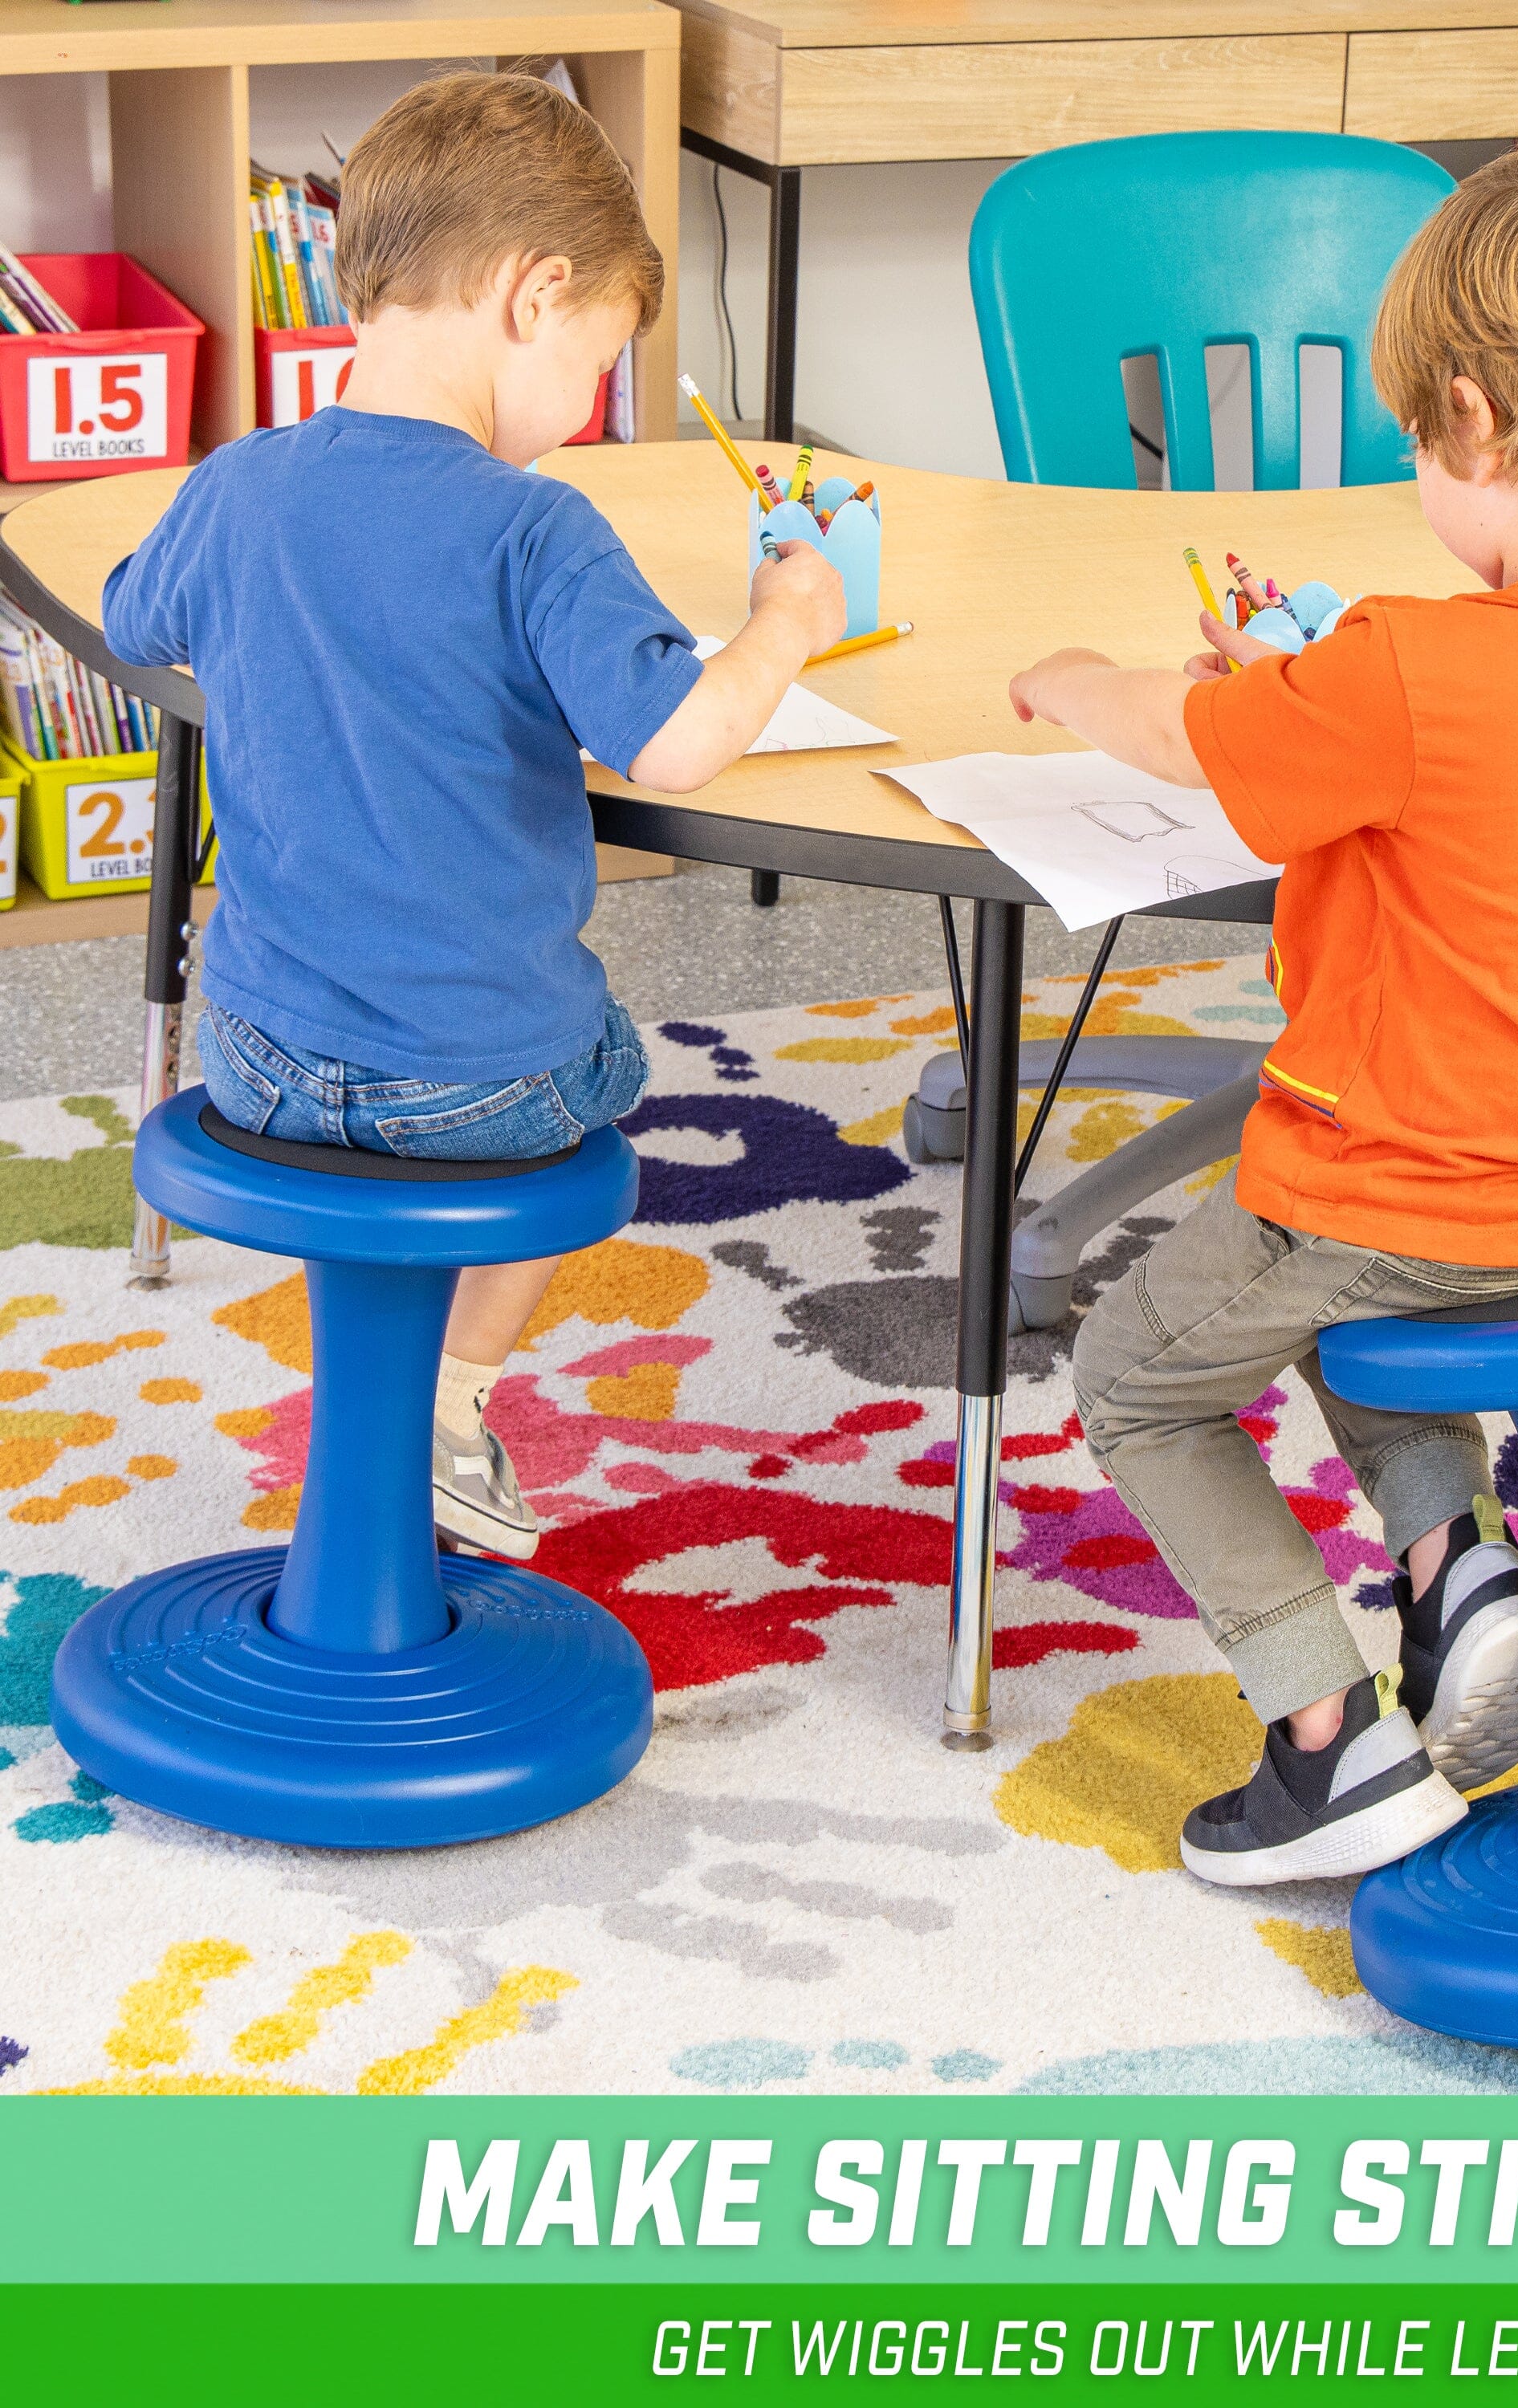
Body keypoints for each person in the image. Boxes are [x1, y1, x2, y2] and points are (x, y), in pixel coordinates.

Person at [1006, 141, 1518, 1884]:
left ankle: (1326, 1738)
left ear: (1473, 421)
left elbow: (1194, 736)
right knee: (1359, 1300)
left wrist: (1074, 682)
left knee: (1142, 1378)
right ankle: (1458, 1570)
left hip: (1398, 1185)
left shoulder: (1419, 666)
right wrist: (1326, 680)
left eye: (1415, 444)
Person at [104, 72, 845, 1560]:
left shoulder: (240, 483)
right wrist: (788, 621)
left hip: (254, 1057)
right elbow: (681, 741)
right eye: (600, 368)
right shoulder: (535, 527)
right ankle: (450, 1405)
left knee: (385, 1055)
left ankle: (392, 1405)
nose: (583, 419)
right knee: (605, 1066)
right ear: (535, 292)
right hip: (474, 1087)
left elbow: (137, 621)